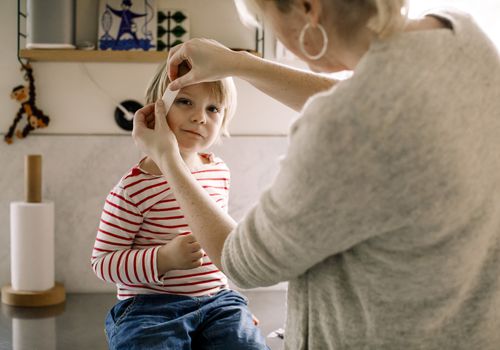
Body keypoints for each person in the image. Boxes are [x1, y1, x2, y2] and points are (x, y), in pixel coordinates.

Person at [132, 0, 500, 349]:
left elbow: (242, 262)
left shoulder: (341, 128)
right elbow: (377, 101)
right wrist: (241, 64)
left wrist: (168, 159)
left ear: (309, 9)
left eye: (267, 19)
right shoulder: (466, 37)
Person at [91, 60, 269, 349]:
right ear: (154, 110)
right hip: (150, 309)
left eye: (213, 108)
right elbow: (102, 263)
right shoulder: (133, 188)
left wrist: (235, 311)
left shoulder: (218, 171)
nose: (200, 117)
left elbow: (220, 247)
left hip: (217, 302)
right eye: (185, 101)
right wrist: (163, 258)